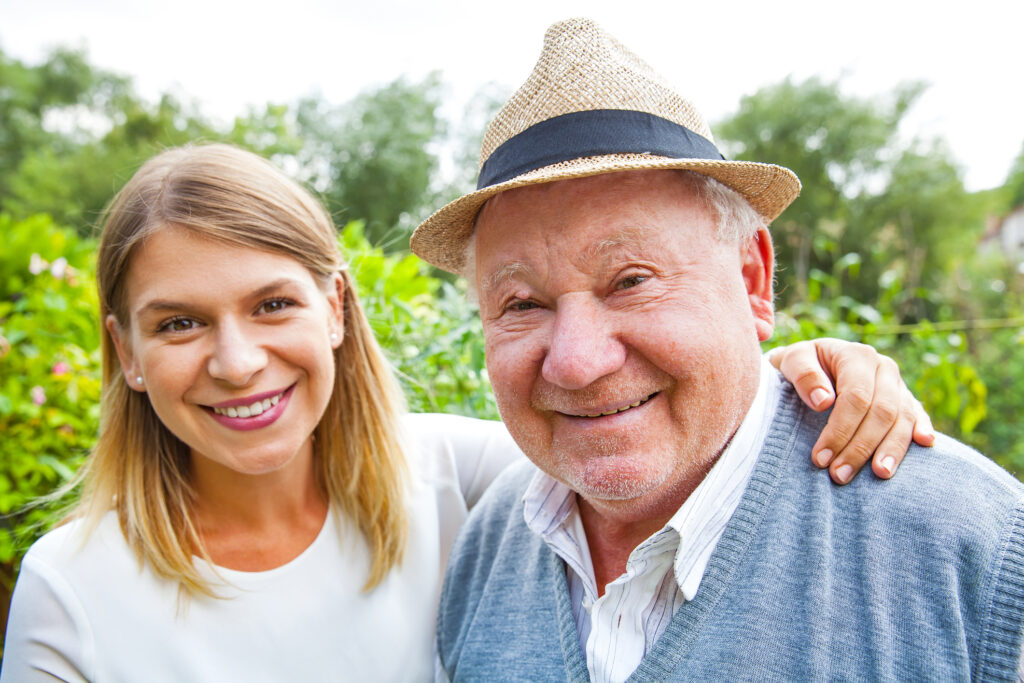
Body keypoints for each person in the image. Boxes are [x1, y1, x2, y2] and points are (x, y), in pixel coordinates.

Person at [1, 144, 924, 682]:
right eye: (179, 323)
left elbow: (637, 435)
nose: (237, 360)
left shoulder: (460, 483)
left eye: (271, 304)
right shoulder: (75, 592)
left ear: (336, 308)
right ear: (125, 353)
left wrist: (802, 378)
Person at [412, 18, 1024, 682]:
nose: (577, 362)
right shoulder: (485, 546)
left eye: (632, 280)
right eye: (521, 303)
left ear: (753, 278)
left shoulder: (978, 557)